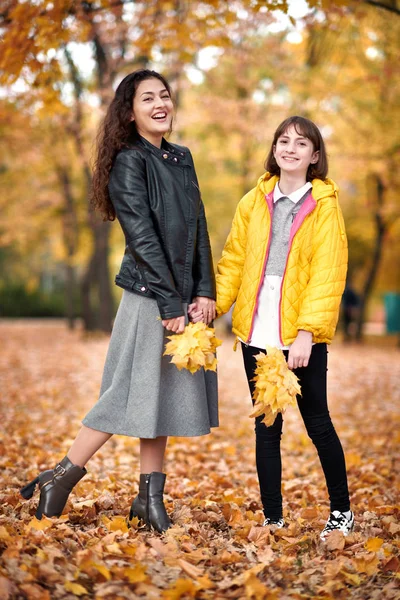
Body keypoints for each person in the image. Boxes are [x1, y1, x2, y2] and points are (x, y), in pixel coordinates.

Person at [20, 69, 218, 533]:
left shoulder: (182, 157)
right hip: (150, 298)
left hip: (184, 298)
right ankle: (61, 478)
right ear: (129, 113)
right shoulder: (130, 161)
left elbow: (199, 230)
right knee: (126, 393)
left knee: (161, 396)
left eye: (165, 96)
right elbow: (143, 238)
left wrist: (204, 290)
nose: (159, 104)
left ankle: (149, 499)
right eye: (147, 98)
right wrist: (170, 303)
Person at [212, 116, 353, 540]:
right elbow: (234, 261)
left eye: (301, 143)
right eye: (283, 141)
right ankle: (272, 518)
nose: (290, 148)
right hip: (257, 329)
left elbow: (329, 273)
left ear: (314, 155)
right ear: (274, 149)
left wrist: (308, 331)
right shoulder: (253, 201)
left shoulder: (325, 206)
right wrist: (211, 307)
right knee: (266, 426)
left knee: (317, 421)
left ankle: (341, 513)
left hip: (299, 331)